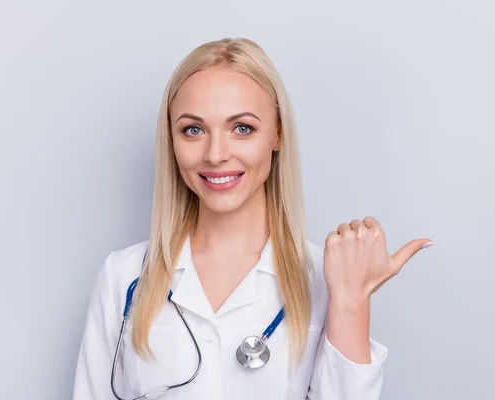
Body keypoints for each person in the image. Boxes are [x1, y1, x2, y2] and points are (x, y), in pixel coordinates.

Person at [72, 37, 433, 400]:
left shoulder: (328, 279)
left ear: (277, 133)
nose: (215, 154)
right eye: (193, 130)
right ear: (171, 139)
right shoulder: (124, 276)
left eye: (242, 128)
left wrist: (351, 300)